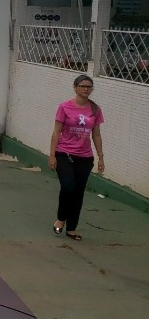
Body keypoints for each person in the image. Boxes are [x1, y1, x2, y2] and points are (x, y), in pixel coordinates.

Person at [48, 74, 105, 242]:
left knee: (78, 192)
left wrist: (101, 157)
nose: (86, 89)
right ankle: (61, 218)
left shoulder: (95, 109)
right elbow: (56, 131)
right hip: (64, 153)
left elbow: (96, 135)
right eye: (83, 86)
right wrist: (52, 155)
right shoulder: (64, 107)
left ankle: (72, 228)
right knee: (68, 186)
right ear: (75, 88)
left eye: (89, 86)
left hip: (84, 157)